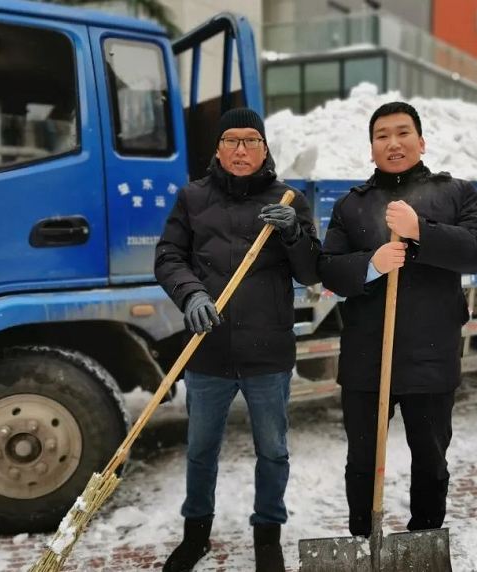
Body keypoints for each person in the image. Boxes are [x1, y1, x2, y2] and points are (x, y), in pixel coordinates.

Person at [318, 101, 477, 538]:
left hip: (430, 353)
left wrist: (421, 230)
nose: (393, 143)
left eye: (403, 133)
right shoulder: (351, 205)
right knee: (362, 460)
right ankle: (364, 539)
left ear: (421, 141)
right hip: (366, 356)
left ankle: (424, 537)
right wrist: (371, 265)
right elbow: (327, 269)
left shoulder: (456, 193)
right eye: (382, 135)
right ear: (371, 148)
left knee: (431, 458)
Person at [154, 107, 321, 572]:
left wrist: (293, 235)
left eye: (251, 140)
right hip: (207, 350)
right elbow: (168, 257)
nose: (242, 149)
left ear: (265, 148)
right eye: (232, 140)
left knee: (272, 450)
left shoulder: (289, 199)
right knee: (200, 449)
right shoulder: (193, 197)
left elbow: (311, 271)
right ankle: (196, 535)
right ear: (218, 149)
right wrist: (190, 295)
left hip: (267, 352)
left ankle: (268, 534)